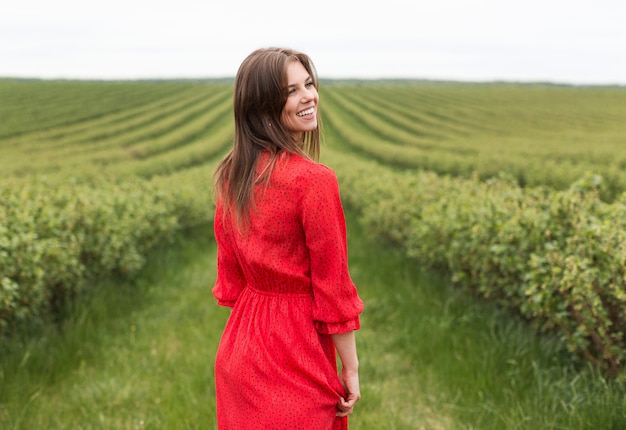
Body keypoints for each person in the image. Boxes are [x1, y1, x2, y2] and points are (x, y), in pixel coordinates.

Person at [211, 47, 364, 429]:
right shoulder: (313, 181)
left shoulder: (232, 176)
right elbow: (333, 287)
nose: (309, 96)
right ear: (262, 106)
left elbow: (232, 279)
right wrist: (351, 369)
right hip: (298, 352)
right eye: (291, 91)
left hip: (240, 351)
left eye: (308, 84)